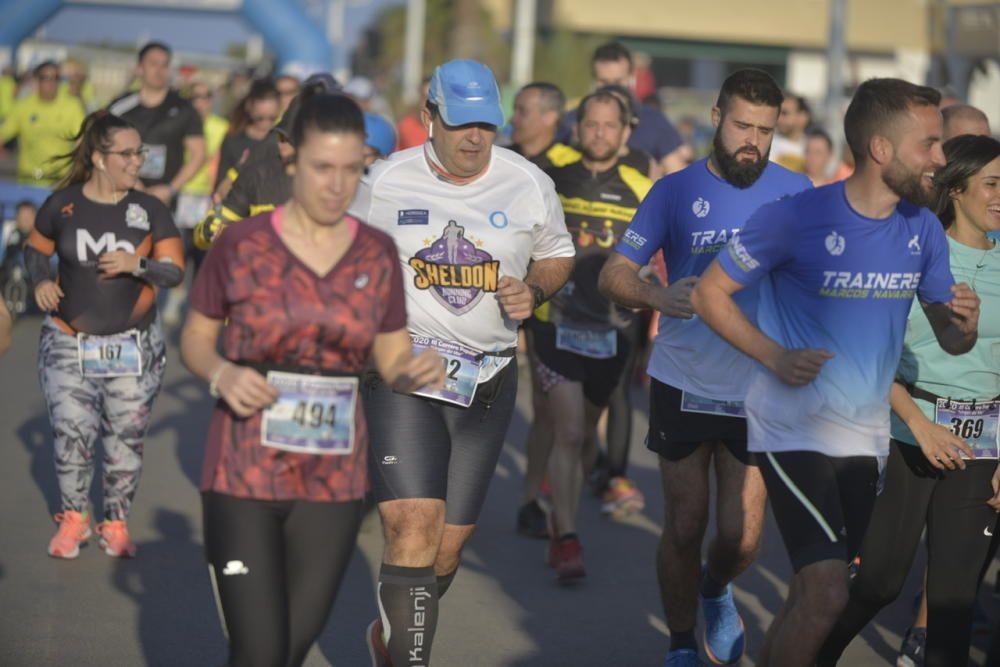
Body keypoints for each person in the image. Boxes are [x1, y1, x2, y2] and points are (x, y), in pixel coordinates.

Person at [690, 78, 980, 667]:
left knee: (811, 594)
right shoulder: (794, 218)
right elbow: (709, 296)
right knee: (827, 594)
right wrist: (773, 356)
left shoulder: (921, 229)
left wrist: (965, 324)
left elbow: (950, 339)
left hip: (864, 438)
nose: (941, 159)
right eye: (929, 143)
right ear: (880, 149)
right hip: (792, 427)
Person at [180, 92, 444, 667]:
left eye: (354, 169)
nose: (338, 184)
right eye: (324, 168)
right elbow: (196, 340)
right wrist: (223, 371)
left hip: (332, 480)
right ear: (291, 161)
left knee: (291, 647)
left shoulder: (376, 254)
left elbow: (393, 356)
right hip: (243, 472)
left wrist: (412, 370)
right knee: (259, 651)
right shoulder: (241, 245)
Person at [352, 59, 574, 667]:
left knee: (446, 551)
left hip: (487, 380)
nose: (476, 137)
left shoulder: (528, 182)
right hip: (402, 375)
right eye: (461, 124)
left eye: (487, 124)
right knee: (414, 527)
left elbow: (557, 253)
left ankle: (391, 634)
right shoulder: (384, 181)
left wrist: (535, 288)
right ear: (428, 116)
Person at [599, 68, 812, 666]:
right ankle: (679, 644)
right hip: (683, 378)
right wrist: (653, 296)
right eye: (743, 125)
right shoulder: (673, 191)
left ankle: (716, 588)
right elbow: (612, 273)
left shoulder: (799, 191)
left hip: (759, 384)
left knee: (740, 538)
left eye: (765, 131)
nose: (753, 140)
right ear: (716, 118)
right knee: (686, 526)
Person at [817, 134, 1000, 667]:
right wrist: (920, 425)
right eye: (992, 184)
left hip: (981, 448)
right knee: (879, 581)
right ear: (958, 188)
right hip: (907, 434)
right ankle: (811, 653)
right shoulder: (913, 255)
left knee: (952, 602)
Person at [24, 110, 185, 559]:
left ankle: (115, 522)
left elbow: (174, 272)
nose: (138, 162)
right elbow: (34, 249)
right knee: (71, 431)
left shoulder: (150, 209)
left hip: (133, 345)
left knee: (124, 438)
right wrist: (40, 281)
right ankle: (74, 519)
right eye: (128, 154)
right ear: (98, 158)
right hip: (67, 340)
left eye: (141, 153)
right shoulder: (63, 205)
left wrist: (139, 265)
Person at [533, 89, 652, 582]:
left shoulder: (644, 190)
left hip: (613, 333)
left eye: (610, 125)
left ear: (626, 133)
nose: (600, 133)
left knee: (583, 435)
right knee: (572, 431)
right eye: (591, 124)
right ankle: (565, 536)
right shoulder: (549, 178)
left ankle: (564, 512)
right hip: (555, 324)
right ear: (577, 128)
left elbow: (656, 264)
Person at [109, 42, 205, 209]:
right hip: (123, 196)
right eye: (153, 64)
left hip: (164, 202)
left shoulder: (184, 109)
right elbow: (103, 148)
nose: (159, 70)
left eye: (164, 65)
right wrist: (130, 181)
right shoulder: (120, 107)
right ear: (139, 68)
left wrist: (170, 189)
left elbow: (199, 154)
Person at [574, 42, 686, 176]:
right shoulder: (574, 119)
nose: (611, 90)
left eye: (618, 82)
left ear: (632, 78)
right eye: (603, 82)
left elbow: (677, 174)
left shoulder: (654, 121)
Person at [0, 61, 85, 185]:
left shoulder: (72, 106)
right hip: (28, 179)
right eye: (45, 78)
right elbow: (3, 133)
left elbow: (82, 139)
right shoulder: (23, 106)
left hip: (59, 181)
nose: (51, 83)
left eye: (56, 78)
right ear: (37, 81)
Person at [215, 79, 279, 191]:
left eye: (272, 118)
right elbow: (219, 189)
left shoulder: (284, 141)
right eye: (260, 118)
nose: (266, 124)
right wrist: (239, 169)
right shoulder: (233, 139)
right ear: (249, 107)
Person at [509, 82, 579, 171]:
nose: (512, 119)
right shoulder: (499, 157)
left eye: (523, 111)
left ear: (550, 117)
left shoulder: (571, 163)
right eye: (515, 110)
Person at [770, 93, 811, 172]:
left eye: (785, 113)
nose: (778, 118)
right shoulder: (767, 144)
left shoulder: (814, 147)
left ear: (802, 117)